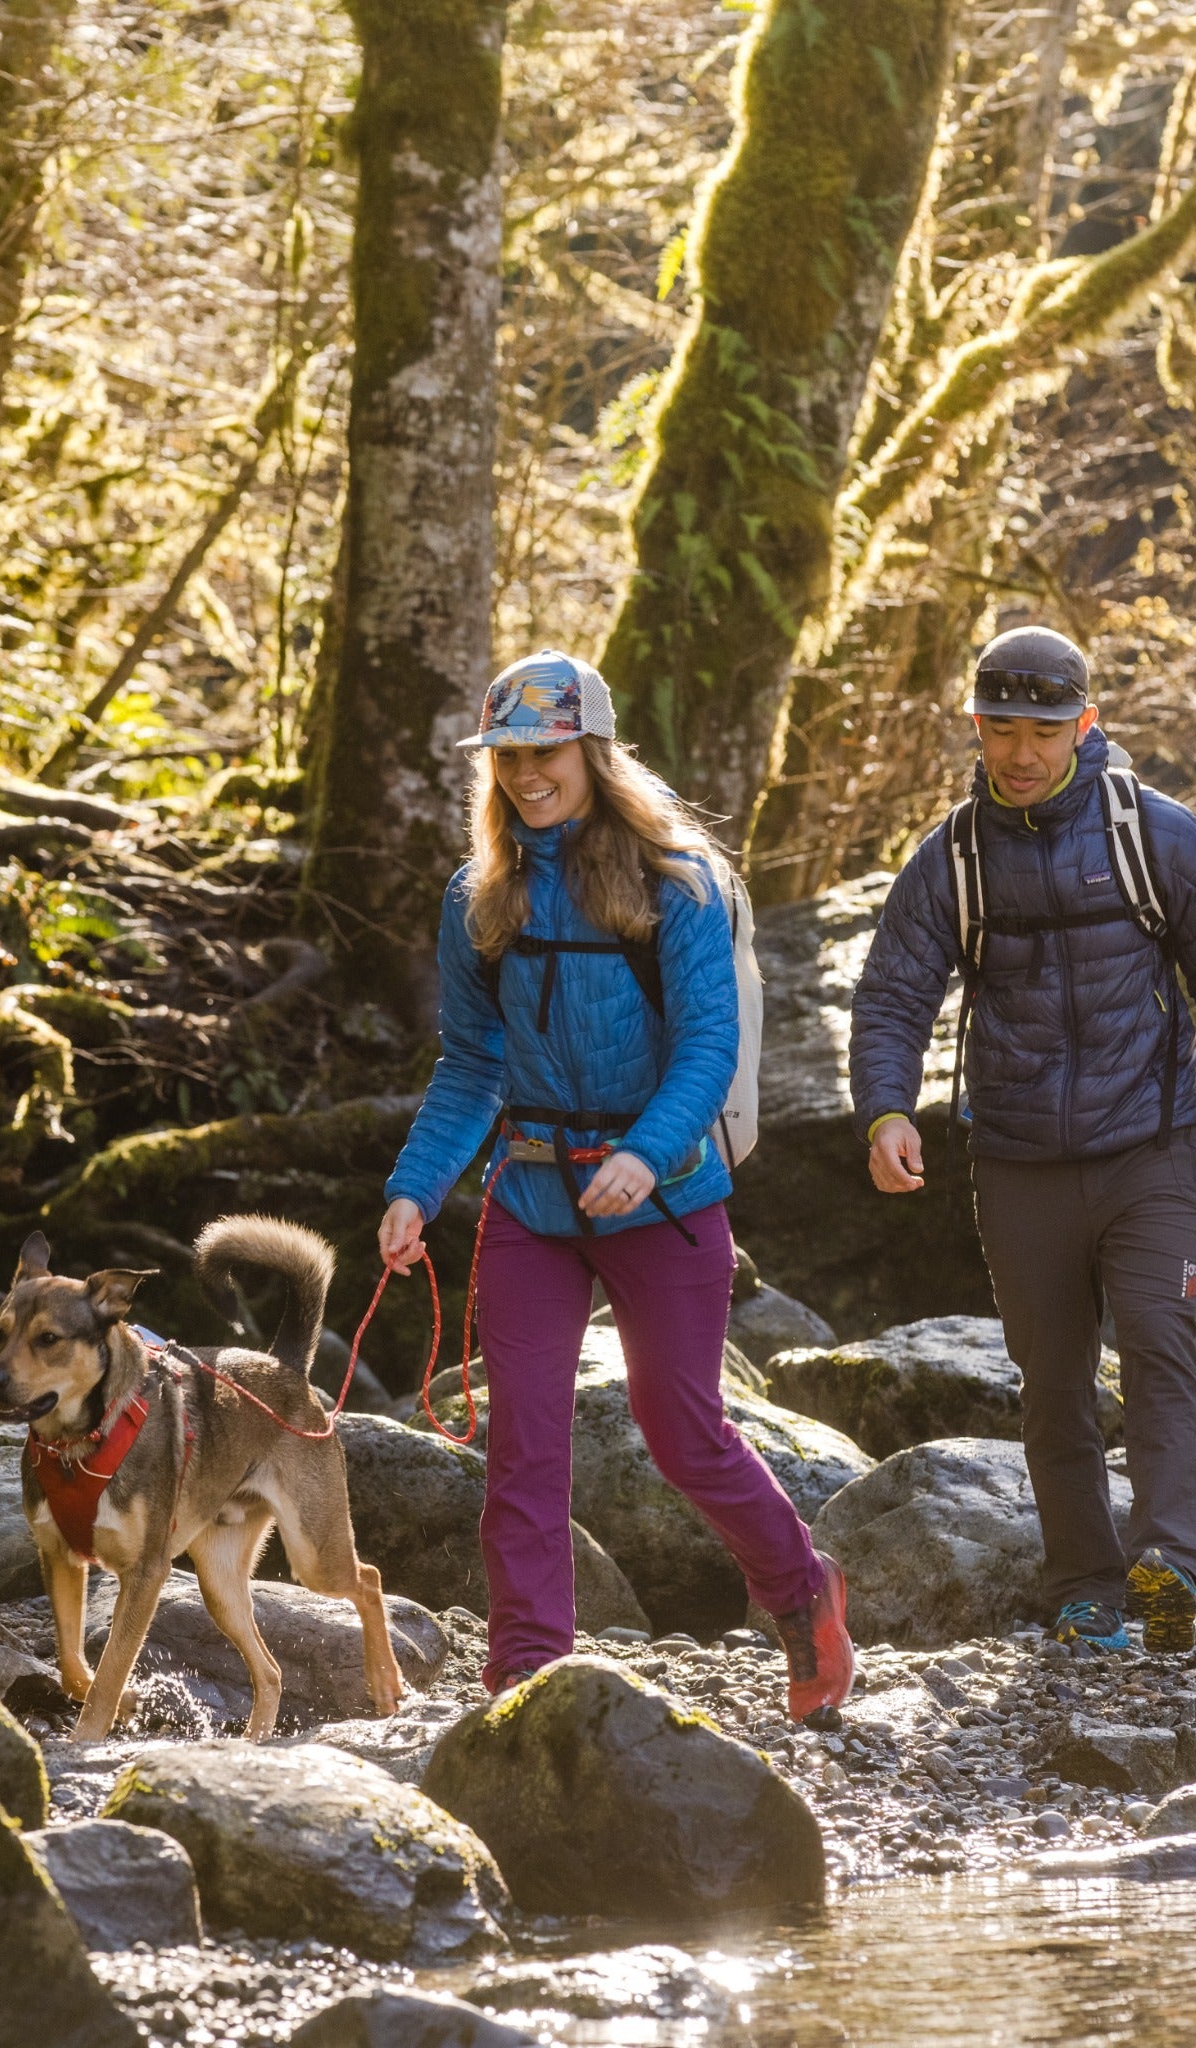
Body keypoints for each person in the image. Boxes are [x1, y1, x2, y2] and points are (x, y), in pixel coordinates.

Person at [376, 647, 853, 1719]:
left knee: (681, 1428)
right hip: (532, 1201)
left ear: (590, 749)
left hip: (666, 1199)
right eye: (505, 754)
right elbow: (469, 1062)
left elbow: (706, 1047)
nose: (524, 772)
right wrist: (414, 1187)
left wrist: (642, 1152)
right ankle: (527, 1676)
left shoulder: (672, 883)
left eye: (544, 750)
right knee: (523, 1441)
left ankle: (797, 1588)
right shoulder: (476, 896)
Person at [849, 625, 1196, 1655]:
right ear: (974, 726)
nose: (1020, 751)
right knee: (1051, 1377)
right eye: (1001, 728)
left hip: (1150, 1149)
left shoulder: (1155, 836)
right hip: (1015, 1161)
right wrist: (885, 1108)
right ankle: (1082, 1584)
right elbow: (891, 993)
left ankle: (1170, 1567)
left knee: (1157, 1337)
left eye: (1044, 729)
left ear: (1084, 725)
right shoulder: (951, 860)